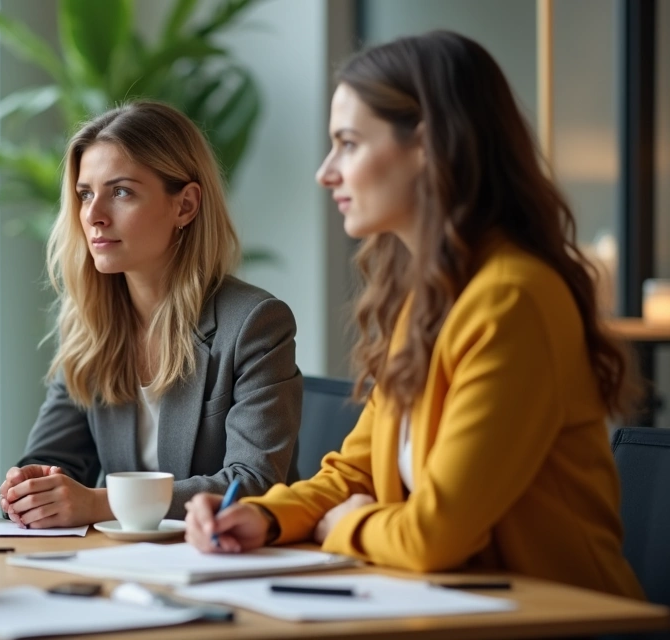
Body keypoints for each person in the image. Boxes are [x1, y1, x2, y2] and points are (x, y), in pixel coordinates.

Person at [183, 30, 644, 599]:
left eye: (348, 143)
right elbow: (353, 474)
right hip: (459, 608)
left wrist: (342, 524)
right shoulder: (431, 301)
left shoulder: (510, 300)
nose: (326, 172)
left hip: (564, 620)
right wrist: (263, 517)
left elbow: (434, 535)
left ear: (428, 145)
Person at [0, 101, 302, 529]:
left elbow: (253, 485)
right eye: (85, 194)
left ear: (185, 206)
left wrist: (103, 504)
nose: (94, 215)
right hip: (123, 570)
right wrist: (33, 487)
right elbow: (55, 459)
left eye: (120, 191)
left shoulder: (255, 324)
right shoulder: (92, 326)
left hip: (227, 563)